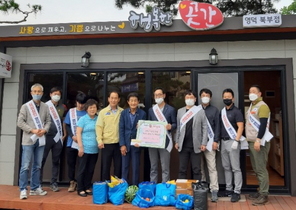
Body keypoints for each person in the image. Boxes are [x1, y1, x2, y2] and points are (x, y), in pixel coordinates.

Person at [17, 83, 51, 200]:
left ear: (42, 93)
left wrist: (44, 130)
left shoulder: (45, 107)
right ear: (31, 93)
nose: (37, 93)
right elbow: (20, 122)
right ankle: (22, 189)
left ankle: (35, 187)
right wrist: (32, 130)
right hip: (28, 140)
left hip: (40, 139)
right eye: (35, 91)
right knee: (25, 166)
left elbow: (48, 121)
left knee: (37, 165)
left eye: (39, 92)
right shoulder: (25, 107)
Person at [246, 85, 272, 205]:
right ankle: (260, 190)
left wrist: (258, 140)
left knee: (261, 168)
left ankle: (264, 194)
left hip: (259, 142)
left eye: (254, 91)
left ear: (260, 94)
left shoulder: (262, 106)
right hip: (252, 141)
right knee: (256, 168)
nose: (251, 93)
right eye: (250, 91)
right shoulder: (253, 105)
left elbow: (263, 125)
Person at [175, 90, 207, 181]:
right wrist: (177, 141)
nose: (189, 99)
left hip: (196, 145)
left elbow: (205, 127)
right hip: (183, 145)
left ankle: (197, 190)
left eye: (191, 97)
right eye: (187, 98)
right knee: (182, 169)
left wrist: (204, 143)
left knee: (196, 170)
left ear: (195, 99)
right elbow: (178, 127)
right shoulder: (180, 111)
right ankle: (183, 191)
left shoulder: (200, 111)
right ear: (184, 99)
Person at [219, 88, 244, 202]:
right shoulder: (222, 111)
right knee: (226, 167)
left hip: (232, 141)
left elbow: (241, 127)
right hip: (223, 142)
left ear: (233, 98)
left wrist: (236, 140)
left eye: (229, 97)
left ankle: (237, 191)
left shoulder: (237, 111)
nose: (226, 99)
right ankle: (229, 189)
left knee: (235, 168)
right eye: (225, 97)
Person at [40, 87, 67, 192]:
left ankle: (54, 183)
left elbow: (63, 121)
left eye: (58, 94)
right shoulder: (45, 106)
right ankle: (38, 182)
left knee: (56, 161)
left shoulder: (62, 107)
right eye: (55, 93)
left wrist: (64, 133)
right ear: (50, 94)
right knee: (42, 160)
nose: (57, 96)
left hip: (58, 137)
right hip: (46, 137)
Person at [148, 87, 177, 183]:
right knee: (153, 167)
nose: (158, 97)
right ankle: (153, 187)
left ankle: (164, 189)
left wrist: (170, 126)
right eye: (156, 95)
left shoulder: (171, 109)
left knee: (165, 168)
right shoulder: (151, 110)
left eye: (159, 95)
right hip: (153, 142)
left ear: (164, 95)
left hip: (165, 141)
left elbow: (175, 124)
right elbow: (148, 124)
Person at [119, 92, 146, 185]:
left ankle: (134, 189)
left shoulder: (142, 114)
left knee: (135, 168)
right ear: (128, 102)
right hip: (125, 144)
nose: (133, 103)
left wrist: (141, 142)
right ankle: (124, 188)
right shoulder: (123, 113)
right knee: (124, 167)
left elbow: (145, 130)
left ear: (138, 102)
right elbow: (121, 129)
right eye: (131, 101)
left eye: (135, 100)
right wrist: (122, 144)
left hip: (136, 144)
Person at [96, 91, 123, 181]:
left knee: (118, 167)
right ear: (108, 99)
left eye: (115, 98)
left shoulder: (122, 112)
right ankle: (104, 186)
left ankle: (116, 189)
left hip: (118, 143)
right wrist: (99, 140)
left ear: (118, 99)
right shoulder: (103, 112)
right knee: (105, 167)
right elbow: (99, 127)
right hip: (106, 143)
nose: (113, 100)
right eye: (112, 98)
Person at [64, 91, 87, 192]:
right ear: (76, 102)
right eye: (79, 103)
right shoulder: (71, 111)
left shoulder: (87, 112)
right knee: (71, 163)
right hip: (71, 142)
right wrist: (72, 135)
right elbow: (67, 125)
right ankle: (72, 182)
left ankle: (79, 181)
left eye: (83, 103)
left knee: (81, 164)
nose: (81, 105)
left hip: (83, 143)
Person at [199, 88, 220, 202]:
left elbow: (217, 127)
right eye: (203, 95)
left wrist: (216, 141)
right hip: (198, 144)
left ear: (210, 97)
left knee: (212, 167)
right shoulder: (196, 109)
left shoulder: (215, 110)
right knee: (200, 168)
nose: (205, 97)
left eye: (207, 95)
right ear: (200, 97)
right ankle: (202, 189)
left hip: (211, 142)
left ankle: (214, 190)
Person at [76, 99, 99, 197]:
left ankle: (87, 187)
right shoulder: (83, 119)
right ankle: (80, 188)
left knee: (90, 169)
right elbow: (78, 133)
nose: (92, 109)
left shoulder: (98, 118)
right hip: (84, 149)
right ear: (87, 109)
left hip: (95, 149)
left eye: (94, 107)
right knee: (82, 169)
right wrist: (80, 147)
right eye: (90, 108)